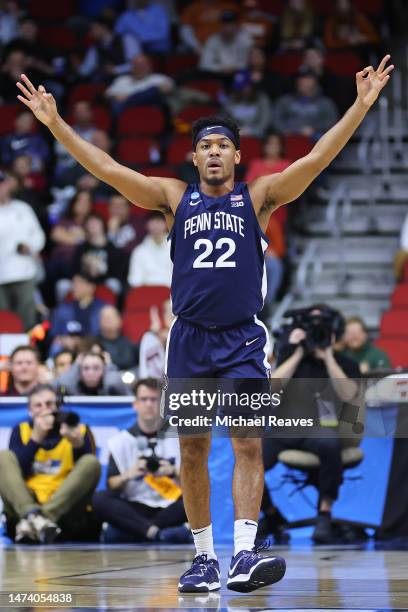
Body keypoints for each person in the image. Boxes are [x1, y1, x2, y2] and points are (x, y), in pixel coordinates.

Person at [16, 53, 393, 592]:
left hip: (242, 340)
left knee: (246, 443)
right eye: (205, 146)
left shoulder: (258, 197)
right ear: (194, 158)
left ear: (237, 156)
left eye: (223, 146)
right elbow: (108, 169)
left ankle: (244, 553)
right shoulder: (174, 198)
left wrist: (359, 106)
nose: (214, 152)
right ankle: (203, 558)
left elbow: (316, 158)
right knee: (191, 447)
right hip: (189, 341)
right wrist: (57, 125)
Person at [261, 305, 362, 544]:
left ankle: (324, 514)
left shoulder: (343, 362)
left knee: (330, 445)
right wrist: (296, 353)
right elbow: (271, 389)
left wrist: (327, 357)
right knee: (249, 457)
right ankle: (271, 514)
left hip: (319, 428)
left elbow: (349, 394)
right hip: (284, 428)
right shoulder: (289, 355)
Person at [92, 377, 190, 543]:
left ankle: (141, 531)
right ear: (135, 404)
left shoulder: (179, 437)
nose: (149, 404)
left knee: (194, 500)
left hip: (169, 505)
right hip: (135, 505)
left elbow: (193, 483)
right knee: (100, 499)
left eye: (154, 399)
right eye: (144, 399)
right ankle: (157, 533)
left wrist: (173, 472)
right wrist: (129, 475)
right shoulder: (120, 441)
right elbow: (111, 485)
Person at [0, 384, 100, 543]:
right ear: (30, 411)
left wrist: (78, 445)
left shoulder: (78, 430)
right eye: (38, 406)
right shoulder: (21, 430)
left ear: (58, 407)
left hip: (64, 510)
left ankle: (40, 518)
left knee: (91, 462)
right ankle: (33, 515)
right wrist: (35, 439)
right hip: (26, 503)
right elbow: (15, 475)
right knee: (3, 457)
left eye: (49, 404)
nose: (44, 410)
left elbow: (88, 475)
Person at [0, 171, 45, 330]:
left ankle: (29, 352)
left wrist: (30, 246)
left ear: (8, 185)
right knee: (3, 321)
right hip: (1, 274)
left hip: (24, 271)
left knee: (27, 319)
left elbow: (39, 235)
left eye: (2, 183)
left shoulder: (23, 208)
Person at [273, 67, 339, 140]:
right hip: (289, 139)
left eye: (307, 79)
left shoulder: (325, 103)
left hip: (316, 141)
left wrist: (314, 129)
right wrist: (286, 130)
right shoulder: (285, 100)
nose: (303, 82)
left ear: (315, 81)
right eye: (300, 79)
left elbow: (332, 122)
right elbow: (276, 119)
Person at [78, 15, 141, 82]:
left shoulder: (127, 39)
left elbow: (137, 64)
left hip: (130, 79)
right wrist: (78, 68)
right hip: (106, 84)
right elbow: (86, 70)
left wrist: (115, 70)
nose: (91, 33)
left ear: (104, 27)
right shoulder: (94, 49)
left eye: (94, 28)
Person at [199, 10, 253, 76]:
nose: (228, 27)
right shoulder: (212, 40)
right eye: (225, 24)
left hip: (239, 73)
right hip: (217, 75)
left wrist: (233, 68)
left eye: (231, 24)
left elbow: (247, 62)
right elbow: (204, 64)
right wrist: (220, 68)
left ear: (237, 25)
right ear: (220, 25)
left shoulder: (245, 39)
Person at [54, 350, 131, 396]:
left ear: (104, 371)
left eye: (96, 368)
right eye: (86, 368)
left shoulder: (111, 383)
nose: (91, 373)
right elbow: (60, 383)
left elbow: (115, 381)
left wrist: (109, 367)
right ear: (79, 371)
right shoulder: (73, 385)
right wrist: (75, 366)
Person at [128, 211, 172, 288]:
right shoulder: (139, 251)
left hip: (172, 295)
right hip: (146, 294)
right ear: (146, 225)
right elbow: (134, 280)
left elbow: (181, 277)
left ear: (166, 223)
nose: (155, 226)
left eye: (158, 221)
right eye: (152, 222)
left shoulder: (176, 248)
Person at [222, 69, 271, 138]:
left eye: (244, 86)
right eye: (240, 87)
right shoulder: (231, 99)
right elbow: (226, 118)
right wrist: (236, 130)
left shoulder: (262, 99)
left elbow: (264, 121)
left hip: (258, 136)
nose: (242, 90)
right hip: (235, 135)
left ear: (251, 85)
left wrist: (251, 131)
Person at [97, 305, 139, 371]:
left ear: (120, 321)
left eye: (111, 317)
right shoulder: (94, 344)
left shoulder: (128, 343)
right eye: (104, 317)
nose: (107, 320)